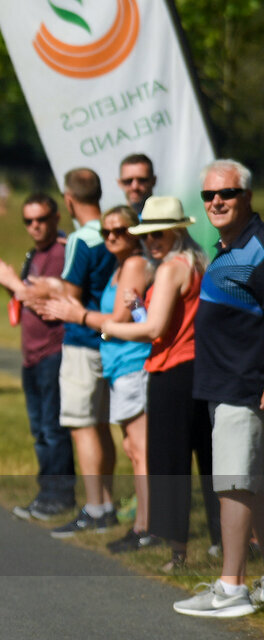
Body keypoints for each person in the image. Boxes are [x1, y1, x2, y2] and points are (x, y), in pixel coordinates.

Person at [100, 196, 221, 571]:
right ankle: (224, 540)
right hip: (199, 368)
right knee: (211, 461)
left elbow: (153, 330)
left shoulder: (170, 269)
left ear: (176, 231)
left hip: (172, 372)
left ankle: (177, 552)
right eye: (147, 234)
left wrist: (108, 326)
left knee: (170, 463)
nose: (151, 241)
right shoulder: (197, 262)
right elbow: (167, 323)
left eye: (159, 233)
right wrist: (138, 307)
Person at [173, 159, 264, 617]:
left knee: (232, 484)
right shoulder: (228, 248)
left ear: (247, 196)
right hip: (224, 385)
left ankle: (231, 588)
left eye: (226, 194)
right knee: (253, 485)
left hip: (243, 387)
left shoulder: (259, 250)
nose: (216, 202)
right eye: (209, 196)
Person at [42, 205, 155, 550]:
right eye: (106, 232)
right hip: (119, 364)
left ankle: (146, 527)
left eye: (120, 231)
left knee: (140, 451)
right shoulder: (121, 266)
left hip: (133, 362)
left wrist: (78, 314)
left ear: (134, 232)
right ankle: (143, 525)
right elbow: (124, 315)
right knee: (133, 448)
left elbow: (120, 318)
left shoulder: (135, 263)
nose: (111, 237)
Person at [29, 169, 118, 537]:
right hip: (109, 337)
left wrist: (47, 289)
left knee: (83, 427)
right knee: (101, 426)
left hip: (82, 340)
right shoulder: (117, 232)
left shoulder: (82, 239)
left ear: (68, 199)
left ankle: (96, 507)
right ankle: (107, 502)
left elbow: (71, 296)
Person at [0, 192, 75, 521]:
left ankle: (59, 495)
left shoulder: (61, 254)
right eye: (28, 221)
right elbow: (24, 298)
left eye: (41, 219)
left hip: (53, 350)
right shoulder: (34, 254)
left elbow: (43, 300)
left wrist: (12, 282)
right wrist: (7, 280)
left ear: (56, 218)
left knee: (52, 428)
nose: (35, 226)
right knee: (39, 429)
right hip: (30, 354)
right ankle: (46, 492)